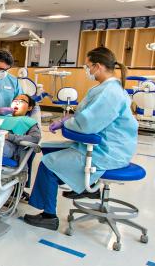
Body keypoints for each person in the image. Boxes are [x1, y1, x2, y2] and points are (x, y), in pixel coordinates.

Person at [24, 47, 137, 231]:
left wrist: (67, 124)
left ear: (98, 66)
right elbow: (88, 115)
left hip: (106, 151)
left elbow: (87, 124)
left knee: (47, 163)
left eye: (88, 66)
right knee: (48, 148)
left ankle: (49, 216)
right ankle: (85, 186)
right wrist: (67, 120)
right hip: (101, 145)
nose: (87, 70)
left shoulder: (110, 93)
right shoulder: (107, 88)